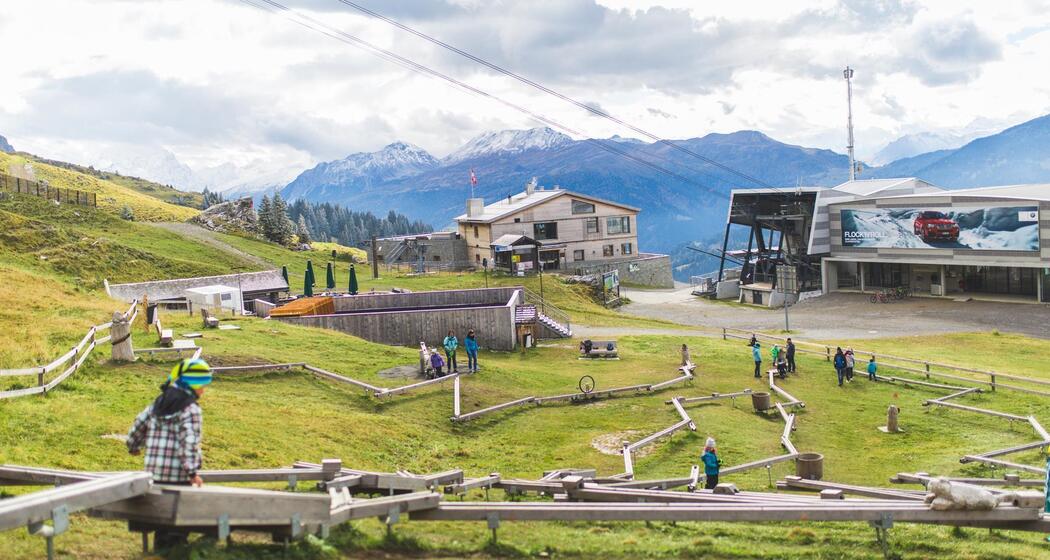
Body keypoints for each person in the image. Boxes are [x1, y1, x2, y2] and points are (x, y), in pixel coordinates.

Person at [127, 358, 212, 550]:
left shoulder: (159, 403)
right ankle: (174, 551)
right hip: (178, 476)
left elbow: (138, 425)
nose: (203, 391)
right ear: (192, 384)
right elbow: (188, 443)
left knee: (162, 516)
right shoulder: (191, 409)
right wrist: (192, 473)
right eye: (202, 386)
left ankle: (162, 549)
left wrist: (133, 446)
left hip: (154, 474)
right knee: (178, 520)